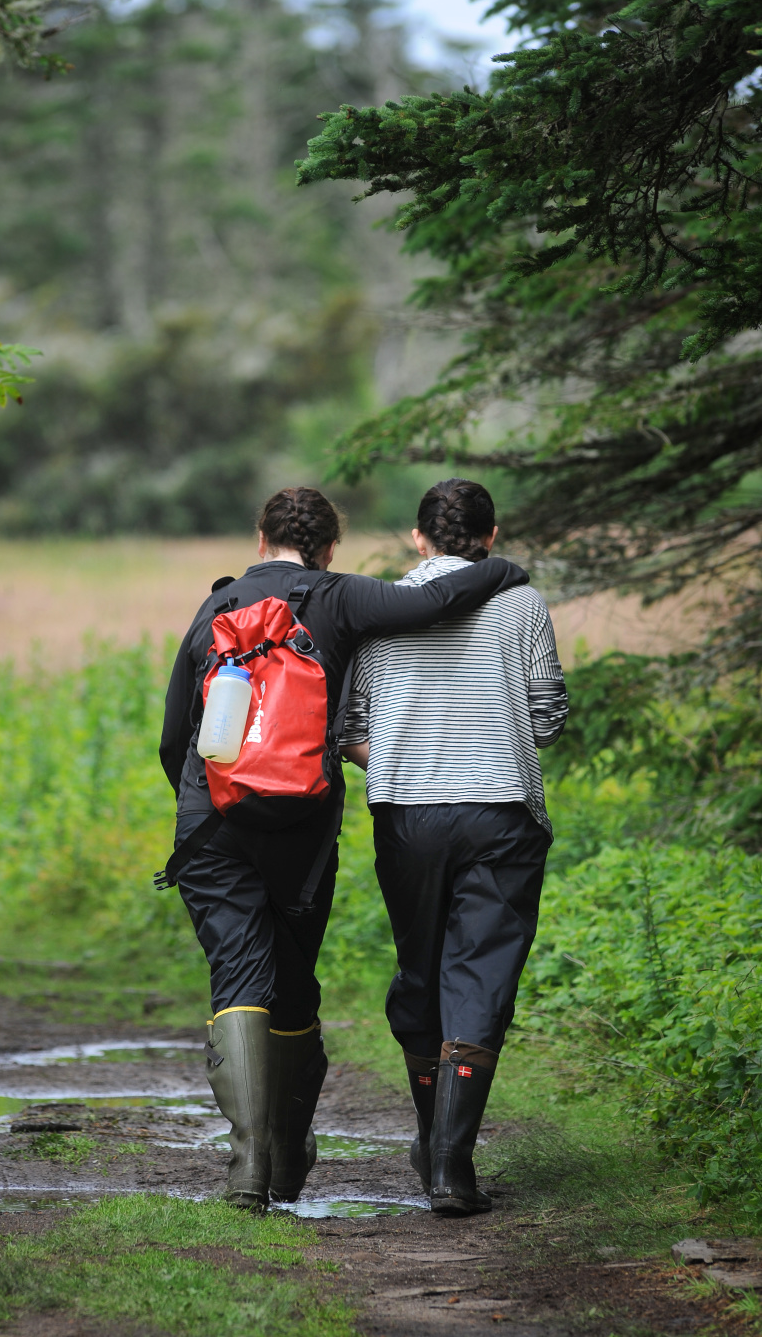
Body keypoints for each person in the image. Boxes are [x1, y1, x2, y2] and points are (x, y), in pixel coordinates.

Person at [159, 486, 530, 1211]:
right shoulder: (342, 597)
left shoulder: (216, 607)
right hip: (300, 834)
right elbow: (436, 604)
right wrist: (500, 566)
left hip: (212, 827)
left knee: (238, 976)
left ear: (260, 538)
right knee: (292, 988)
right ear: (332, 546)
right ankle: (287, 1152)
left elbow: (176, 734)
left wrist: (208, 803)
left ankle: (248, 1174)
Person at [340, 477, 568, 1217]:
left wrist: (409, 762)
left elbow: (349, 730)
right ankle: (450, 1164)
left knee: (421, 971)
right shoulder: (522, 604)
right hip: (500, 810)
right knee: (480, 976)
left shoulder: (381, 608)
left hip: (406, 816)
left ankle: (431, 1139)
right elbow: (545, 721)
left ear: (419, 538)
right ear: (491, 537)